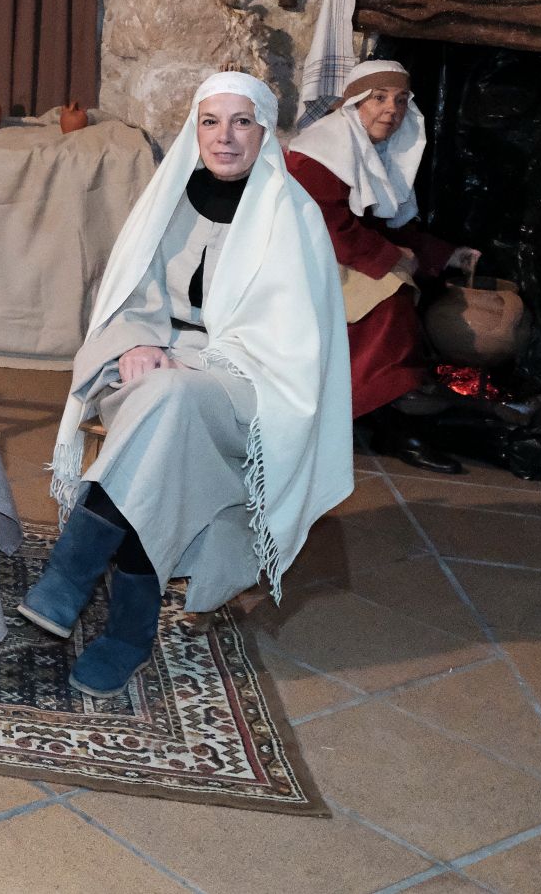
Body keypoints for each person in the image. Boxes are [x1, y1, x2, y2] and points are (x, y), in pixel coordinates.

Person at [20, 73, 352, 698]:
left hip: (245, 384)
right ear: (194, 131)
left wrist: (195, 367)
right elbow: (121, 296)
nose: (224, 136)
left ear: (264, 132)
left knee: (171, 405)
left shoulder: (294, 216)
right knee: (165, 420)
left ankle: (73, 570)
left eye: (241, 122)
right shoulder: (168, 198)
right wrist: (137, 344)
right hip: (148, 364)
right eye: (210, 121)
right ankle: (126, 632)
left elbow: (293, 342)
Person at [286, 60, 478, 474]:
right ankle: (393, 421)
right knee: (390, 299)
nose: (392, 109)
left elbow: (388, 223)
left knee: (411, 286)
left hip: (337, 254)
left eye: (401, 100)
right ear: (355, 103)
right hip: (299, 261)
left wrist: (447, 255)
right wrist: (391, 258)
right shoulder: (317, 154)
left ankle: (391, 407)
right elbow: (327, 226)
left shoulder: (375, 152)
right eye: (379, 98)